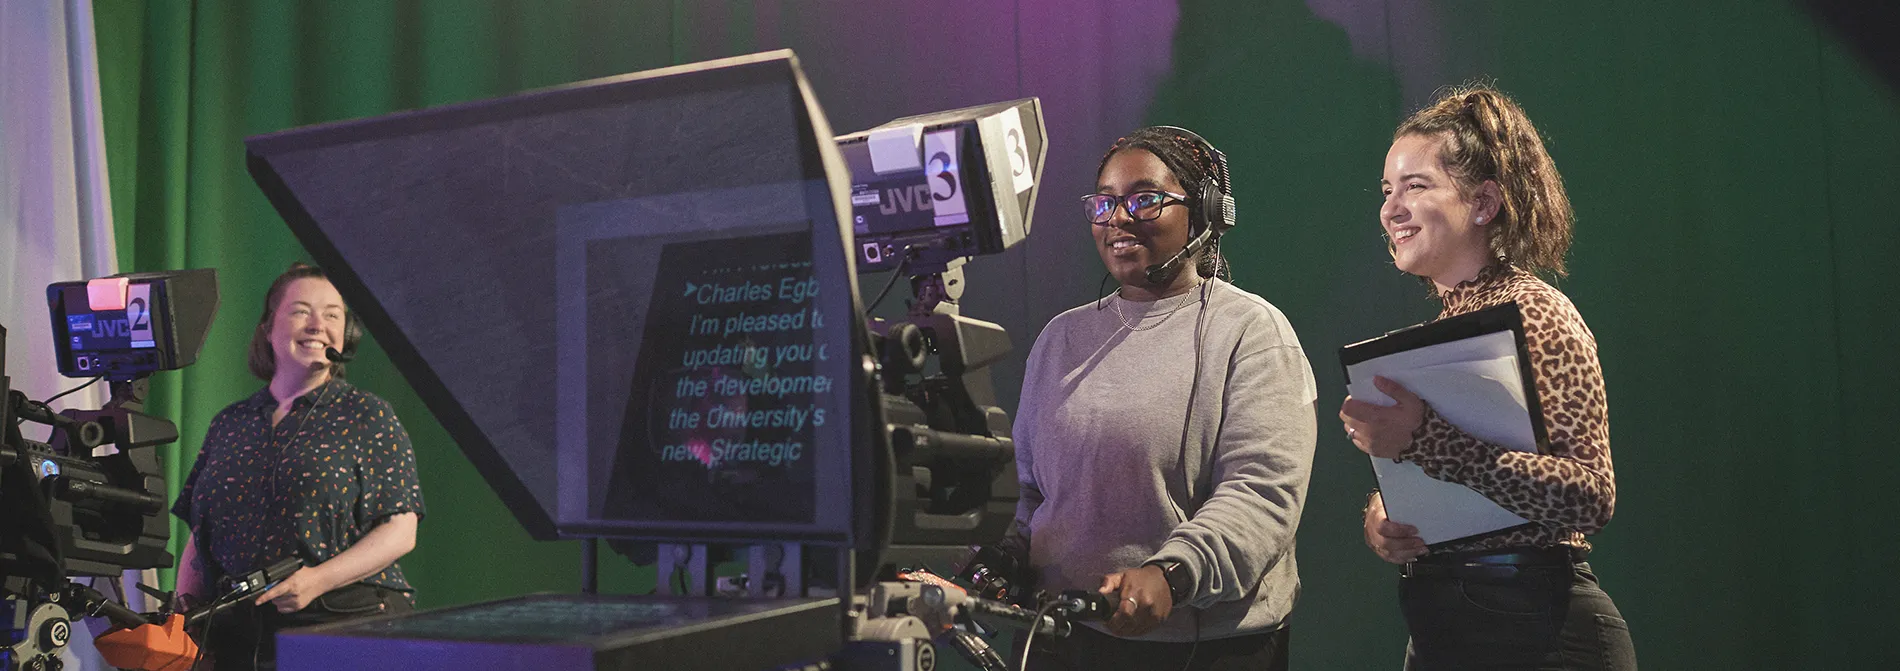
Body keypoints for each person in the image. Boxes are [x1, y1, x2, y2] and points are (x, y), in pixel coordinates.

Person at [1339, 85, 1638, 669]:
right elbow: (1473, 480)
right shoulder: (1451, 326)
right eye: (1386, 190)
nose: (1391, 208)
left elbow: (1589, 499)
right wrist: (1387, 515)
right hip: (1447, 623)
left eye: (1416, 186)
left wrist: (1424, 440)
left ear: (1484, 203)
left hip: (1538, 631)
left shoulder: (1536, 312)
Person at [1011, 126, 1317, 670]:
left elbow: (1262, 493)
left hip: (1204, 647)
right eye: (1104, 203)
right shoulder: (1060, 338)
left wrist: (1171, 574)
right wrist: (1004, 558)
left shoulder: (1251, 330)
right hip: (1061, 637)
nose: (1118, 219)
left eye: (1145, 200)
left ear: (1202, 212)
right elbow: (1031, 495)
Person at [173, 262, 424, 670]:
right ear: (268, 328)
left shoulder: (367, 415)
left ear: (347, 334)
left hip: (342, 631)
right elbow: (198, 538)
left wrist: (315, 580)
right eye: (300, 310)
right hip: (238, 641)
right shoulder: (230, 423)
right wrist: (183, 625)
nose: (316, 325)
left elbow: (400, 531)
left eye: (332, 314)